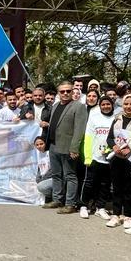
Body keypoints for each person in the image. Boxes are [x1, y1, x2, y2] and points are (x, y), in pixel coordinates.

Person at [106, 94, 131, 231]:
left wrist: (130, 149)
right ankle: (116, 214)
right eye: (126, 104)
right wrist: (114, 147)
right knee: (117, 187)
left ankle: (128, 215)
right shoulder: (117, 118)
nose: (129, 106)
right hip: (117, 157)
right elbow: (110, 137)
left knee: (129, 188)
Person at [48, 82, 87, 214]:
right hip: (53, 146)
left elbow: (79, 129)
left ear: (72, 92)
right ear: (58, 93)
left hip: (68, 147)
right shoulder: (55, 106)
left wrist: (74, 148)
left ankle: (70, 204)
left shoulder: (78, 106)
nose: (65, 93)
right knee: (56, 174)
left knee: (70, 176)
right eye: (62, 91)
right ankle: (57, 199)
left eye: (68, 91)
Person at [80, 95, 115, 220]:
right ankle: (84, 206)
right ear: (99, 106)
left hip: (110, 157)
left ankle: (100, 207)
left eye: (108, 104)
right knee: (89, 182)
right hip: (94, 157)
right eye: (103, 104)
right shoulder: (94, 118)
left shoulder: (116, 118)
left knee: (105, 184)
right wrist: (88, 157)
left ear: (112, 105)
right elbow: (88, 138)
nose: (106, 107)